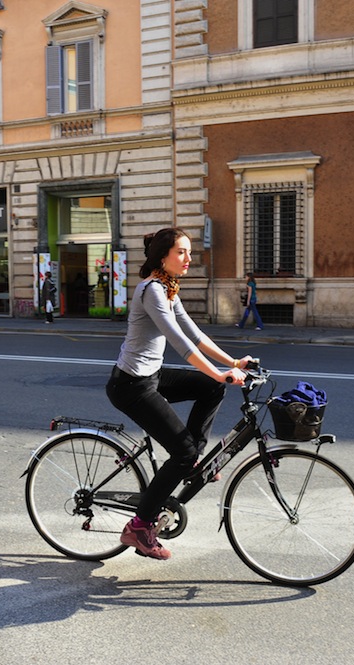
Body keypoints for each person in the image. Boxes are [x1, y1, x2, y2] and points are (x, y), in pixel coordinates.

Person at [105, 227, 253, 560]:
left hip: (151, 377)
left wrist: (231, 362)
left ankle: (191, 461)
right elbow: (179, 341)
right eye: (182, 252)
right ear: (163, 256)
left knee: (211, 388)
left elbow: (195, 333)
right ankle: (140, 527)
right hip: (130, 386)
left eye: (189, 252)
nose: (189, 258)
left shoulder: (169, 289)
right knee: (182, 451)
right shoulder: (152, 290)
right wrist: (219, 371)